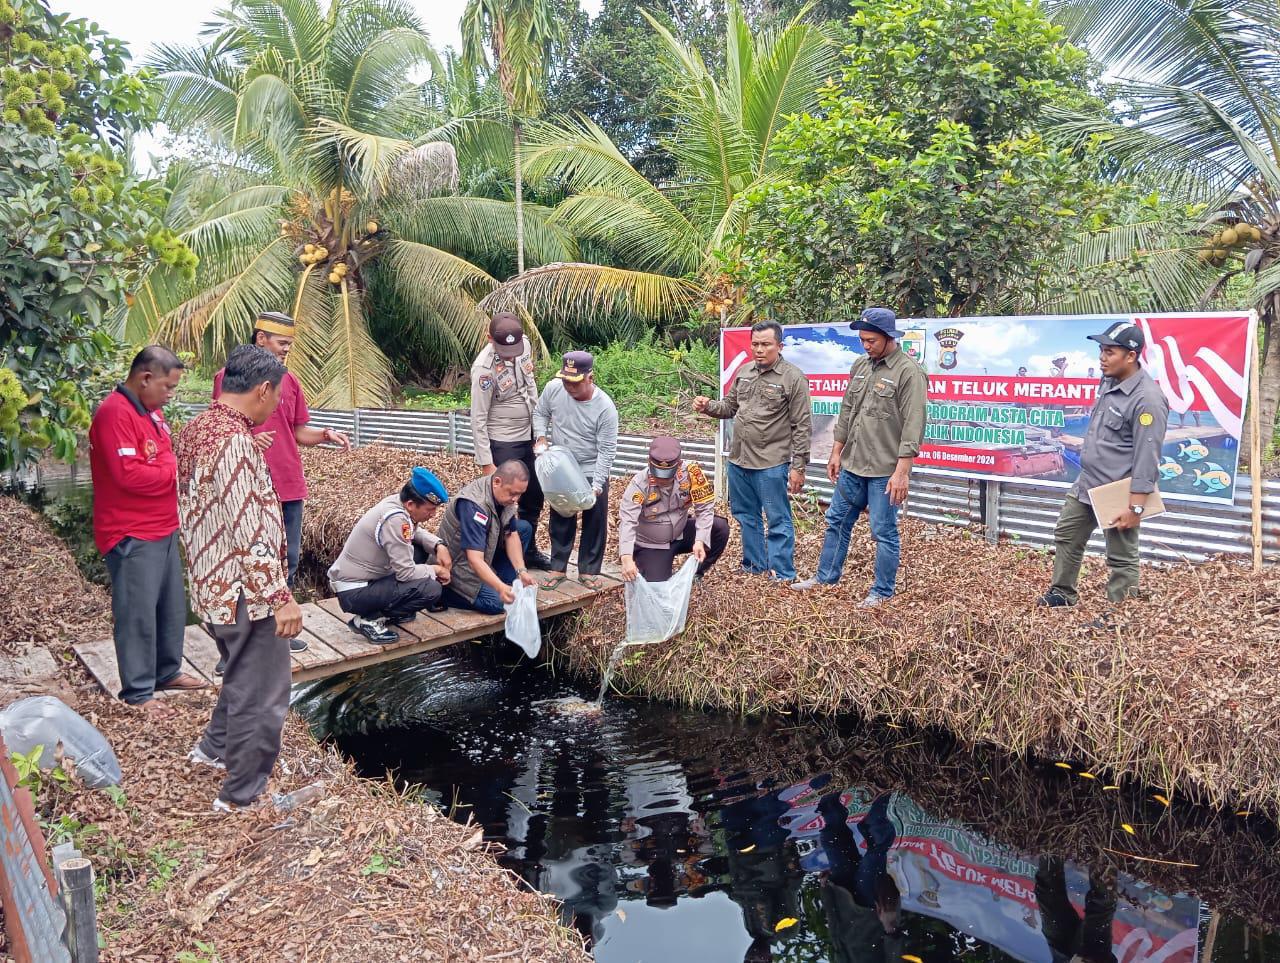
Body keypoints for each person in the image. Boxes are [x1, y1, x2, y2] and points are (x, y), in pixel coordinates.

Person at [175, 345, 305, 813]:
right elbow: (249, 528)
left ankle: (212, 749)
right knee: (264, 694)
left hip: (211, 583)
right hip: (246, 591)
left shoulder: (198, 429)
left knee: (240, 673)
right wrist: (280, 596)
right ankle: (242, 795)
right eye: (278, 397)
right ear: (263, 390)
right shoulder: (234, 444)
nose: (278, 406)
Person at [212, 311, 350, 657]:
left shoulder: (290, 381)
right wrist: (246, 441)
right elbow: (221, 426)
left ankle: (277, 636)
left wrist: (325, 434)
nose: (287, 349)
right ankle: (235, 647)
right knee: (240, 562)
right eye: (282, 342)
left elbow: (298, 430)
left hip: (288, 485)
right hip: (245, 488)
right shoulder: (228, 378)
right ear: (261, 338)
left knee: (286, 560)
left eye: (290, 344)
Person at [88, 345, 206, 717]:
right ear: (145, 378)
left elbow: (164, 456)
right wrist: (172, 470)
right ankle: (138, 692)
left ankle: (166, 672)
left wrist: (166, 465)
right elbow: (130, 475)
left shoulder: (151, 412)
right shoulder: (114, 413)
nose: (171, 394)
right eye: (168, 387)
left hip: (163, 526)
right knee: (137, 613)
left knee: (170, 607)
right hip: (131, 531)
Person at [792, 308, 927, 606]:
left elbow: (913, 425)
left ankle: (881, 592)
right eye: (862, 340)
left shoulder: (909, 372)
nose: (865, 345)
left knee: (883, 531)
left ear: (888, 337)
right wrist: (836, 451)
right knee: (836, 520)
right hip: (853, 464)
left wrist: (902, 473)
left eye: (871, 340)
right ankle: (825, 577)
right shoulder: (860, 366)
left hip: (885, 470)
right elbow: (847, 410)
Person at [1040, 322, 1169, 607]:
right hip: (1087, 482)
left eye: (1109, 352)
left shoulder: (1147, 399)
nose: (1101, 358)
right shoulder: (1109, 380)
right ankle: (1062, 593)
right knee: (1067, 534)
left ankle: (1119, 615)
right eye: (1101, 350)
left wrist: (1136, 508)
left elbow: (1147, 457)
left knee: (1121, 557)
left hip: (1118, 490)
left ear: (1131, 356)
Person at [694, 320, 811, 581]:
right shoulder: (745, 371)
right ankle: (754, 565)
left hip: (771, 462)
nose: (759, 349)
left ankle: (782, 572)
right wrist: (708, 406)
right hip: (739, 459)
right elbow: (729, 407)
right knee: (746, 516)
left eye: (766, 344)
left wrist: (799, 467)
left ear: (779, 346)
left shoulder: (793, 378)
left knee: (777, 518)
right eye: (755, 344)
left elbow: (802, 426)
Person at [327, 467, 454, 645]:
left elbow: (412, 532)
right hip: (355, 592)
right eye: (430, 509)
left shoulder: (397, 503)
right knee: (431, 589)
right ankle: (368, 619)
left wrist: (438, 545)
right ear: (411, 504)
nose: (433, 514)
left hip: (365, 581)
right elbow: (406, 574)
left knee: (419, 550)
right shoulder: (395, 519)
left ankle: (391, 610)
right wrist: (436, 570)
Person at [470, 311, 551, 568]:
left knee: (534, 494)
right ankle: (498, 557)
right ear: (489, 339)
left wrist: (539, 429)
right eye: (505, 352)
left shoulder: (522, 344)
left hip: (529, 434)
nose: (511, 355)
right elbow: (478, 418)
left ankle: (529, 550)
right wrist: (486, 463)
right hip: (503, 440)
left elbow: (530, 384)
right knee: (505, 500)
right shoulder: (483, 370)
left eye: (514, 350)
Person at [532, 351, 619, 590]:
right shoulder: (553, 389)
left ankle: (589, 570)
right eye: (565, 380)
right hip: (562, 464)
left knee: (595, 515)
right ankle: (558, 567)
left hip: (591, 464)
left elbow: (607, 451)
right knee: (561, 513)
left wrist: (597, 484)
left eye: (575, 382)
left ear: (590, 377)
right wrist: (541, 436)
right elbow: (540, 412)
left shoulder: (605, 408)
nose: (569, 386)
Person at [617, 436, 729, 583]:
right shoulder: (639, 484)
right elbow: (627, 521)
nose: (662, 479)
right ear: (649, 463)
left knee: (720, 528)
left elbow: (704, 508)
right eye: (658, 473)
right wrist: (626, 558)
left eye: (668, 474)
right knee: (657, 588)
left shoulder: (692, 474)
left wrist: (700, 540)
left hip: (680, 533)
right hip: (652, 544)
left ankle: (696, 573)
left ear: (679, 464)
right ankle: (650, 564)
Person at [438, 460, 538, 615]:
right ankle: (446, 593)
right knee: (497, 603)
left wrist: (521, 571)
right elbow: (474, 559)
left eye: (520, 494)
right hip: (458, 567)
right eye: (513, 493)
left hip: (483, 551)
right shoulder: (474, 505)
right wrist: (500, 588)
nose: (516, 499)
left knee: (523, 528)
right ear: (497, 482)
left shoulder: (503, 493)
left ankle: (500, 581)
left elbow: (511, 534)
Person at [1035, 856, 1117, 963]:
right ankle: (1104, 857)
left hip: (1060, 954)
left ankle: (1051, 851)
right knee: (1099, 909)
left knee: (1047, 894)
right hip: (1094, 958)